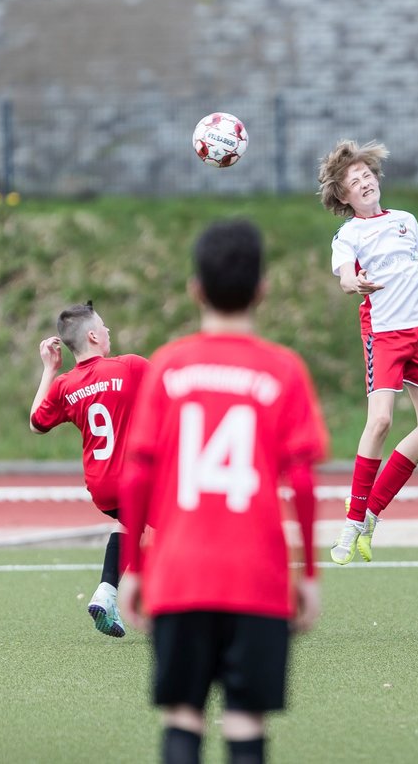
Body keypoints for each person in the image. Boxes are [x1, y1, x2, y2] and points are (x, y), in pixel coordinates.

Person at [117, 219, 327, 764]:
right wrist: (307, 574)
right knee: (244, 720)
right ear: (263, 289)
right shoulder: (284, 370)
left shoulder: (168, 365)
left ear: (195, 290)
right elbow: (302, 480)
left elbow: (136, 473)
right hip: (257, 575)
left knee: (183, 713)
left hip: (180, 572)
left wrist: (135, 568)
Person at [317, 139, 418, 565]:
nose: (365, 181)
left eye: (367, 174)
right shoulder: (348, 234)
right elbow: (347, 279)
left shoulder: (407, 221)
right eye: (355, 180)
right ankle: (352, 521)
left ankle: (372, 512)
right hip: (384, 335)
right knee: (382, 420)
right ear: (343, 196)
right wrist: (356, 284)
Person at [29, 301, 149, 638]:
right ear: (94, 335)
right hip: (134, 479)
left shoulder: (66, 386)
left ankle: (107, 593)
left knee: (134, 525)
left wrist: (49, 369)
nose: (109, 331)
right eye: (105, 326)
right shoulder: (129, 367)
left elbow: (36, 423)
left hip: (101, 486)